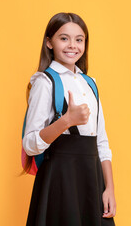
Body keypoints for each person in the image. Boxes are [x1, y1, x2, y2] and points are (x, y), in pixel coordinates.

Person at [21, 12, 116, 226]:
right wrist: (66, 121)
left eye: (79, 39)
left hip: (92, 180)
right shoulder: (44, 83)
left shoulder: (90, 83)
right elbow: (30, 144)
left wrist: (109, 188)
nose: (72, 45)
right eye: (64, 38)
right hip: (60, 180)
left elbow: (101, 142)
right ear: (49, 43)